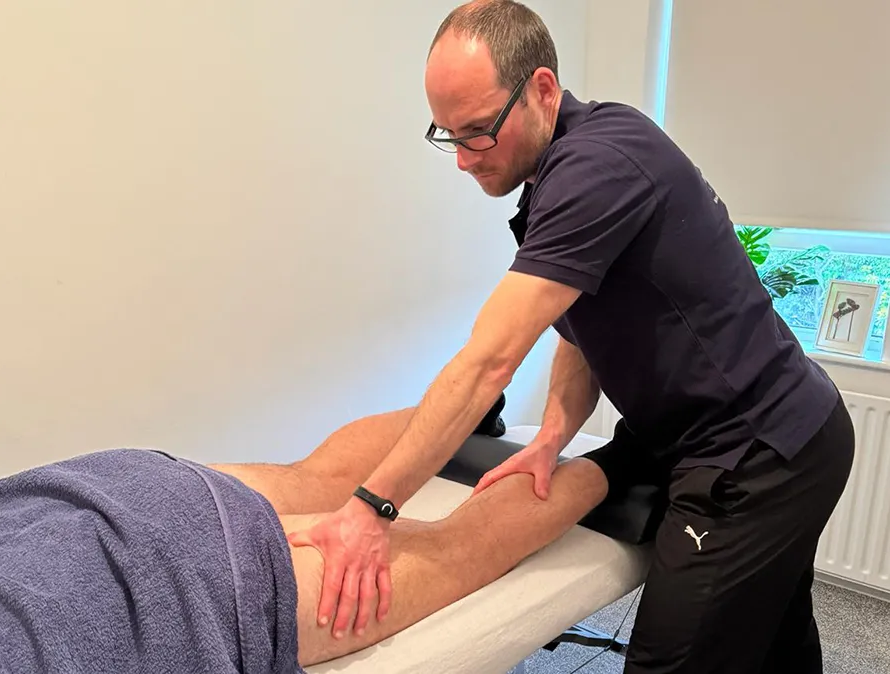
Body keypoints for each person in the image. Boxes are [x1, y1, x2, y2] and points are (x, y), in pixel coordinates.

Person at [288, 1, 856, 672]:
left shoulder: (599, 167)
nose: (464, 160)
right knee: (776, 643)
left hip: (761, 453)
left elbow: (487, 363)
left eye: (477, 133)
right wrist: (554, 434)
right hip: (712, 435)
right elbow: (581, 329)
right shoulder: (554, 177)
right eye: (447, 136)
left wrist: (370, 510)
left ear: (543, 91)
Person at [0, 408, 608, 672]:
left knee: (455, 548)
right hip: (88, 491)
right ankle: (465, 414)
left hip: (191, 586)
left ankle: (618, 467)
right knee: (312, 478)